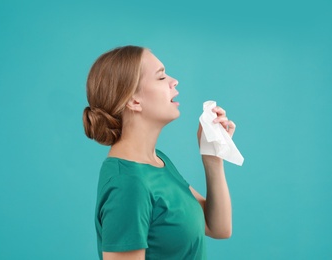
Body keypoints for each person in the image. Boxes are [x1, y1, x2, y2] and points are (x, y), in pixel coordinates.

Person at [83, 45, 235, 260]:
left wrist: (212, 157)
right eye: (161, 77)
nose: (174, 81)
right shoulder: (127, 183)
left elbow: (218, 227)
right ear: (133, 101)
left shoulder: (158, 161)